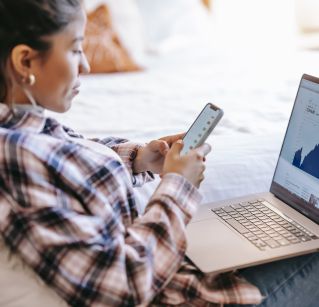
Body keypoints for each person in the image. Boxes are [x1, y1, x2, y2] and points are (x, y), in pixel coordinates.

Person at [0, 1, 318, 306]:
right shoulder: (18, 156)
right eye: (74, 49)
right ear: (25, 61)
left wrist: (140, 158)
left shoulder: (23, 129)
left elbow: (68, 160)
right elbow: (120, 287)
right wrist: (178, 184)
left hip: (178, 271)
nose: (86, 64)